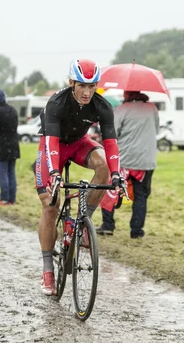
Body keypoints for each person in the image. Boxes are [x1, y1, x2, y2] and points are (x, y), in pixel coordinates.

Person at [35, 59, 122, 296]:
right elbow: (51, 143)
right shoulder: (57, 102)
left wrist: (116, 174)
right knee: (50, 206)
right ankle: (47, 270)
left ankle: (84, 223)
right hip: (53, 146)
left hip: (78, 143)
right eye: (82, 85)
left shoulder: (102, 106)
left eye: (92, 86)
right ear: (71, 82)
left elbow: (111, 144)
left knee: (103, 166)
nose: (87, 92)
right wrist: (54, 173)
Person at [96, 91, 159, 238]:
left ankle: (108, 225)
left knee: (111, 191)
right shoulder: (152, 108)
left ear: (127, 94)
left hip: (123, 160)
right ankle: (136, 231)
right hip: (145, 161)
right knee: (141, 196)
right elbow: (157, 129)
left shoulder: (122, 109)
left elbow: (112, 132)